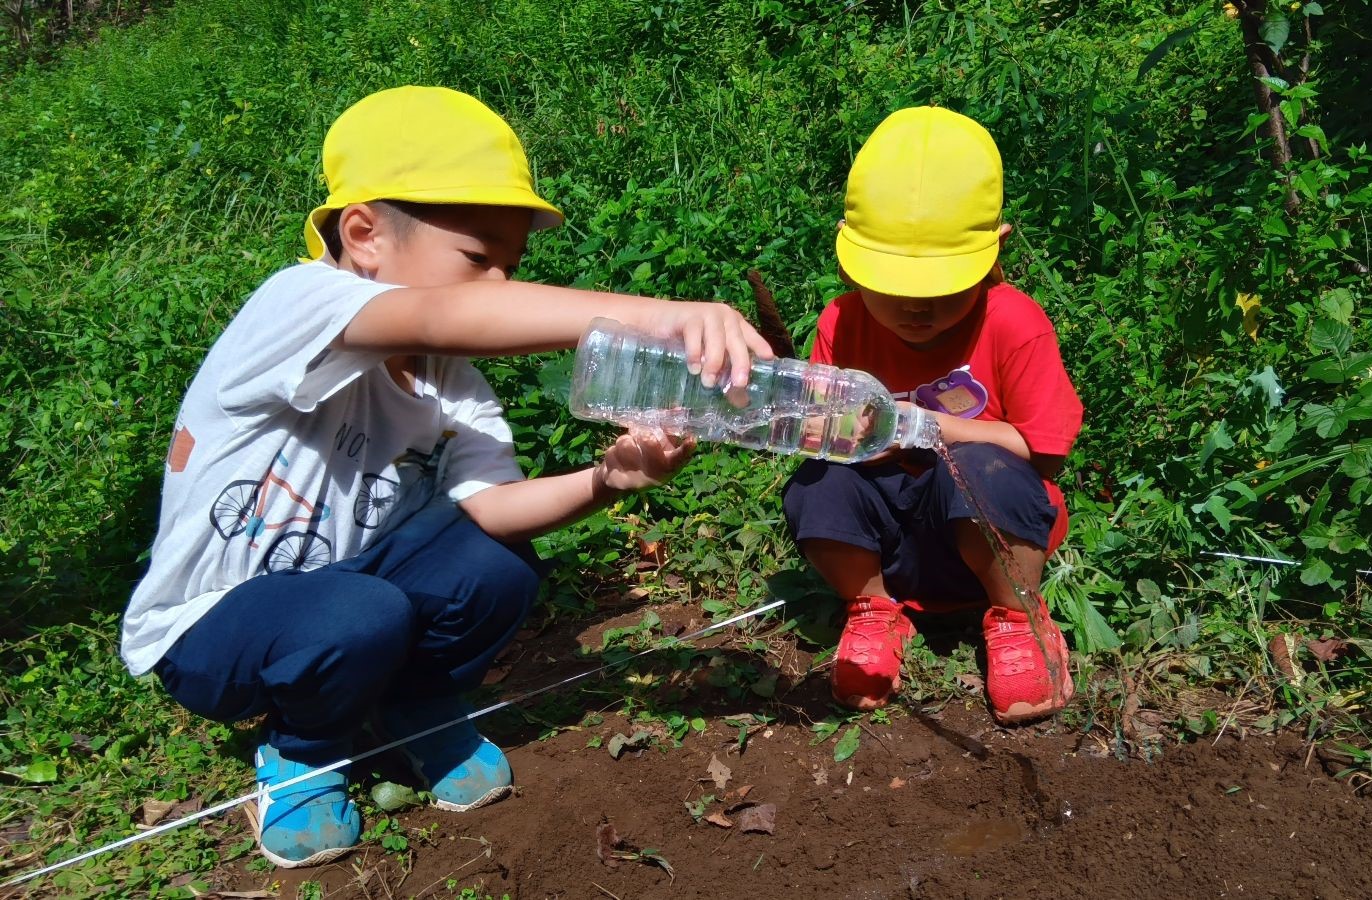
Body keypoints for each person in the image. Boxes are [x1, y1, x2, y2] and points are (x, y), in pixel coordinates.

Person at [119, 86, 772, 868]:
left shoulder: (448, 381)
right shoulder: (294, 305)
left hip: (355, 592)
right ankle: (304, 747)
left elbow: (495, 507)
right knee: (357, 612)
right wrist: (654, 314)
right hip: (215, 628)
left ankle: (413, 705)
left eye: (511, 266)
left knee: (496, 567)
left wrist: (609, 477)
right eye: (478, 258)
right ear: (363, 233)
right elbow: (435, 315)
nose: (498, 286)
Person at [782, 106, 1084, 725]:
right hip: (890, 540)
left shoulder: (1013, 322)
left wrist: (927, 424)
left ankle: (1017, 614)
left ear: (995, 249)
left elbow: (1045, 447)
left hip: (987, 531)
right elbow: (824, 428)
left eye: (943, 288)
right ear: (848, 261)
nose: (916, 307)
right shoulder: (841, 322)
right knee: (817, 483)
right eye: (892, 286)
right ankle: (872, 608)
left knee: (979, 466)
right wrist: (827, 431)